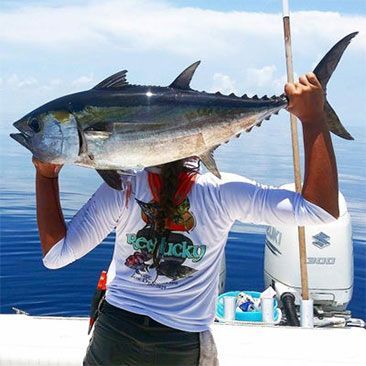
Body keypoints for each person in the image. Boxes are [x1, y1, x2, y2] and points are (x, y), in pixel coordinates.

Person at [33, 72, 339, 366]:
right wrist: (313, 119)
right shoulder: (222, 195)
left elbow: (56, 255)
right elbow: (321, 210)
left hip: (115, 338)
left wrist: (46, 177)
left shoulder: (122, 188)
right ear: (200, 137)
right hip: (180, 348)